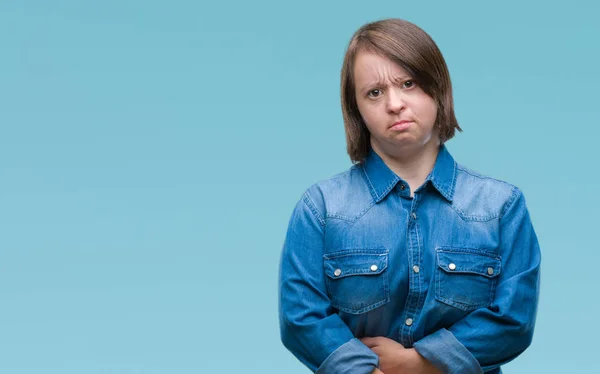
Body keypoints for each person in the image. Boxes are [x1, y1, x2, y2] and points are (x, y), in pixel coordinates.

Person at [278, 18, 540, 374]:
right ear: (356, 109)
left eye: (408, 83)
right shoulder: (321, 208)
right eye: (374, 92)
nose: (394, 104)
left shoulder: (500, 207)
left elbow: (515, 320)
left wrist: (419, 364)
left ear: (437, 88)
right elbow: (301, 319)